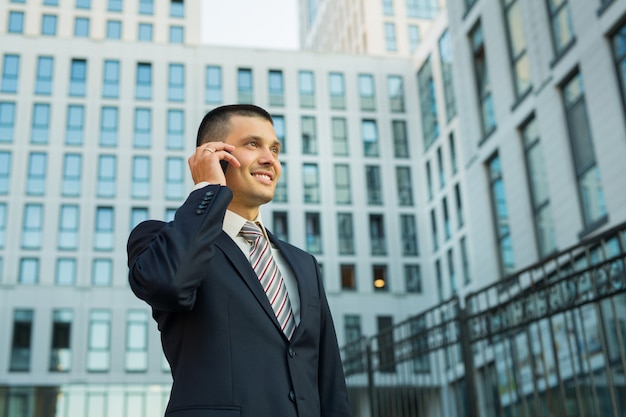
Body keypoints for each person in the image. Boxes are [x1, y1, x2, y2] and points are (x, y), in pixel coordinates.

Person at [127, 104, 351, 417]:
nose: (270, 159)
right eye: (252, 144)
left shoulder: (304, 264)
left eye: (274, 148)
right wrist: (208, 189)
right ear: (214, 154)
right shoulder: (160, 241)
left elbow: (329, 381)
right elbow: (169, 284)